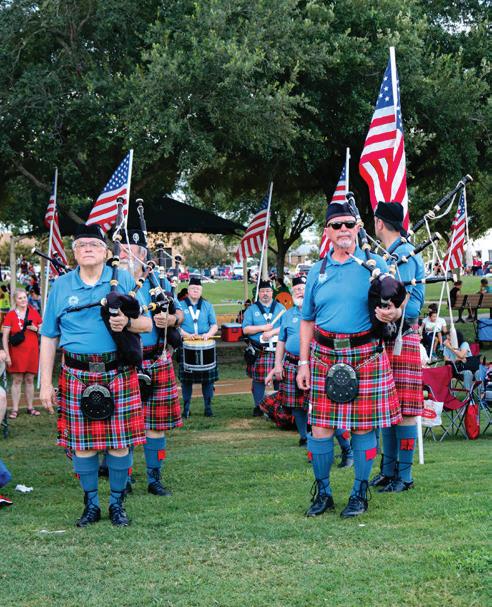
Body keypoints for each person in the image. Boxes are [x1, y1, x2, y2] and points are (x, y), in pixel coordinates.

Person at [39, 224, 152, 528]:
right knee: (82, 445)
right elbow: (49, 336)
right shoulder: (61, 286)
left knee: (119, 444)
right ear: (74, 253)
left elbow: (147, 324)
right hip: (76, 374)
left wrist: (126, 322)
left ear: (105, 251)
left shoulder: (121, 279)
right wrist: (45, 383)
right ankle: (91, 504)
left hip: (117, 371)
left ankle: (117, 504)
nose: (87, 249)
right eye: (81, 245)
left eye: (94, 244)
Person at [297, 202, 401, 518]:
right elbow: (307, 320)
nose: (343, 229)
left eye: (348, 224)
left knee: (363, 429)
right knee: (320, 429)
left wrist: (394, 312)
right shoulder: (318, 271)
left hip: (365, 354)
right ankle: (323, 493)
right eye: (336, 225)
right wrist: (303, 363)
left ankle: (359, 493)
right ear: (327, 232)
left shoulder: (374, 264)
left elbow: (399, 298)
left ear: (357, 228)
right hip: (324, 355)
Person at [119, 229, 183, 496]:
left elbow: (179, 314)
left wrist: (171, 320)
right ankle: (124, 479)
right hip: (124, 362)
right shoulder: (115, 282)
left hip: (156, 359)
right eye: (121, 249)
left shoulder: (158, 281)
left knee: (155, 425)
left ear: (142, 255)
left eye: (129, 250)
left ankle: (154, 478)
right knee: (125, 425)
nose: (124, 254)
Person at [265, 276, 353, 467]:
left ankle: (347, 449)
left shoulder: (319, 312)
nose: (299, 291)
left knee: (325, 409)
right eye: (296, 288)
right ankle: (306, 439)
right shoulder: (287, 315)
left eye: (303, 288)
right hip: (291, 364)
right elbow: (281, 341)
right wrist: (277, 365)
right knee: (296, 406)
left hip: (316, 364)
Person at [369, 202, 425, 493]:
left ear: (380, 223)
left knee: (405, 409)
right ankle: (388, 470)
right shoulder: (389, 255)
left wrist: (395, 312)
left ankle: (404, 475)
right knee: (389, 408)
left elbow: (413, 305)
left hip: (403, 338)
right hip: (387, 339)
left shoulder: (406, 254)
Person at [242, 280, 286, 417]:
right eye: (262, 291)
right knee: (258, 379)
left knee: (279, 377)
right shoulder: (251, 310)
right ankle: (258, 406)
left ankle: (280, 406)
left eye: (268, 291)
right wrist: (262, 328)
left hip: (278, 350)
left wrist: (272, 332)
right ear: (259, 293)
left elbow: (286, 327)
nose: (265, 294)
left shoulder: (280, 308)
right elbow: (246, 329)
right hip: (259, 350)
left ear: (272, 292)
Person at [178, 277, 218, 418]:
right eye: (193, 288)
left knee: (208, 380)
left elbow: (214, 325)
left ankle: (208, 407)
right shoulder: (180, 306)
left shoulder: (207, 305)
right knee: (186, 381)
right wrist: (186, 334)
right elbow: (175, 325)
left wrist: (208, 334)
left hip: (205, 345)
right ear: (188, 290)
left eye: (198, 289)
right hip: (186, 345)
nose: (195, 290)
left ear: (201, 291)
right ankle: (186, 408)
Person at [2, 288, 43, 418]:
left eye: (24, 297)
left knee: (30, 379)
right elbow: (5, 337)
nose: (23, 300)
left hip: (32, 351)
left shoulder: (34, 312)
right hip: (16, 352)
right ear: (15, 300)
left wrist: (35, 329)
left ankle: (30, 407)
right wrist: (7, 355)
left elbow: (43, 331)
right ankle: (15, 409)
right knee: (17, 380)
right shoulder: (10, 315)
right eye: (20, 298)